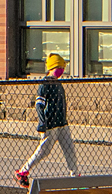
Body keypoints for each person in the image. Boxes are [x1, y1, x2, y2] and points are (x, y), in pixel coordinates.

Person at [17, 52, 79, 186]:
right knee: (44, 151)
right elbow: (39, 104)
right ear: (52, 68)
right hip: (50, 124)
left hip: (62, 123)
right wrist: (42, 121)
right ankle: (23, 171)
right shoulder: (45, 84)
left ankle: (75, 178)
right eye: (59, 67)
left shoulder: (58, 83)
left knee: (70, 150)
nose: (62, 70)